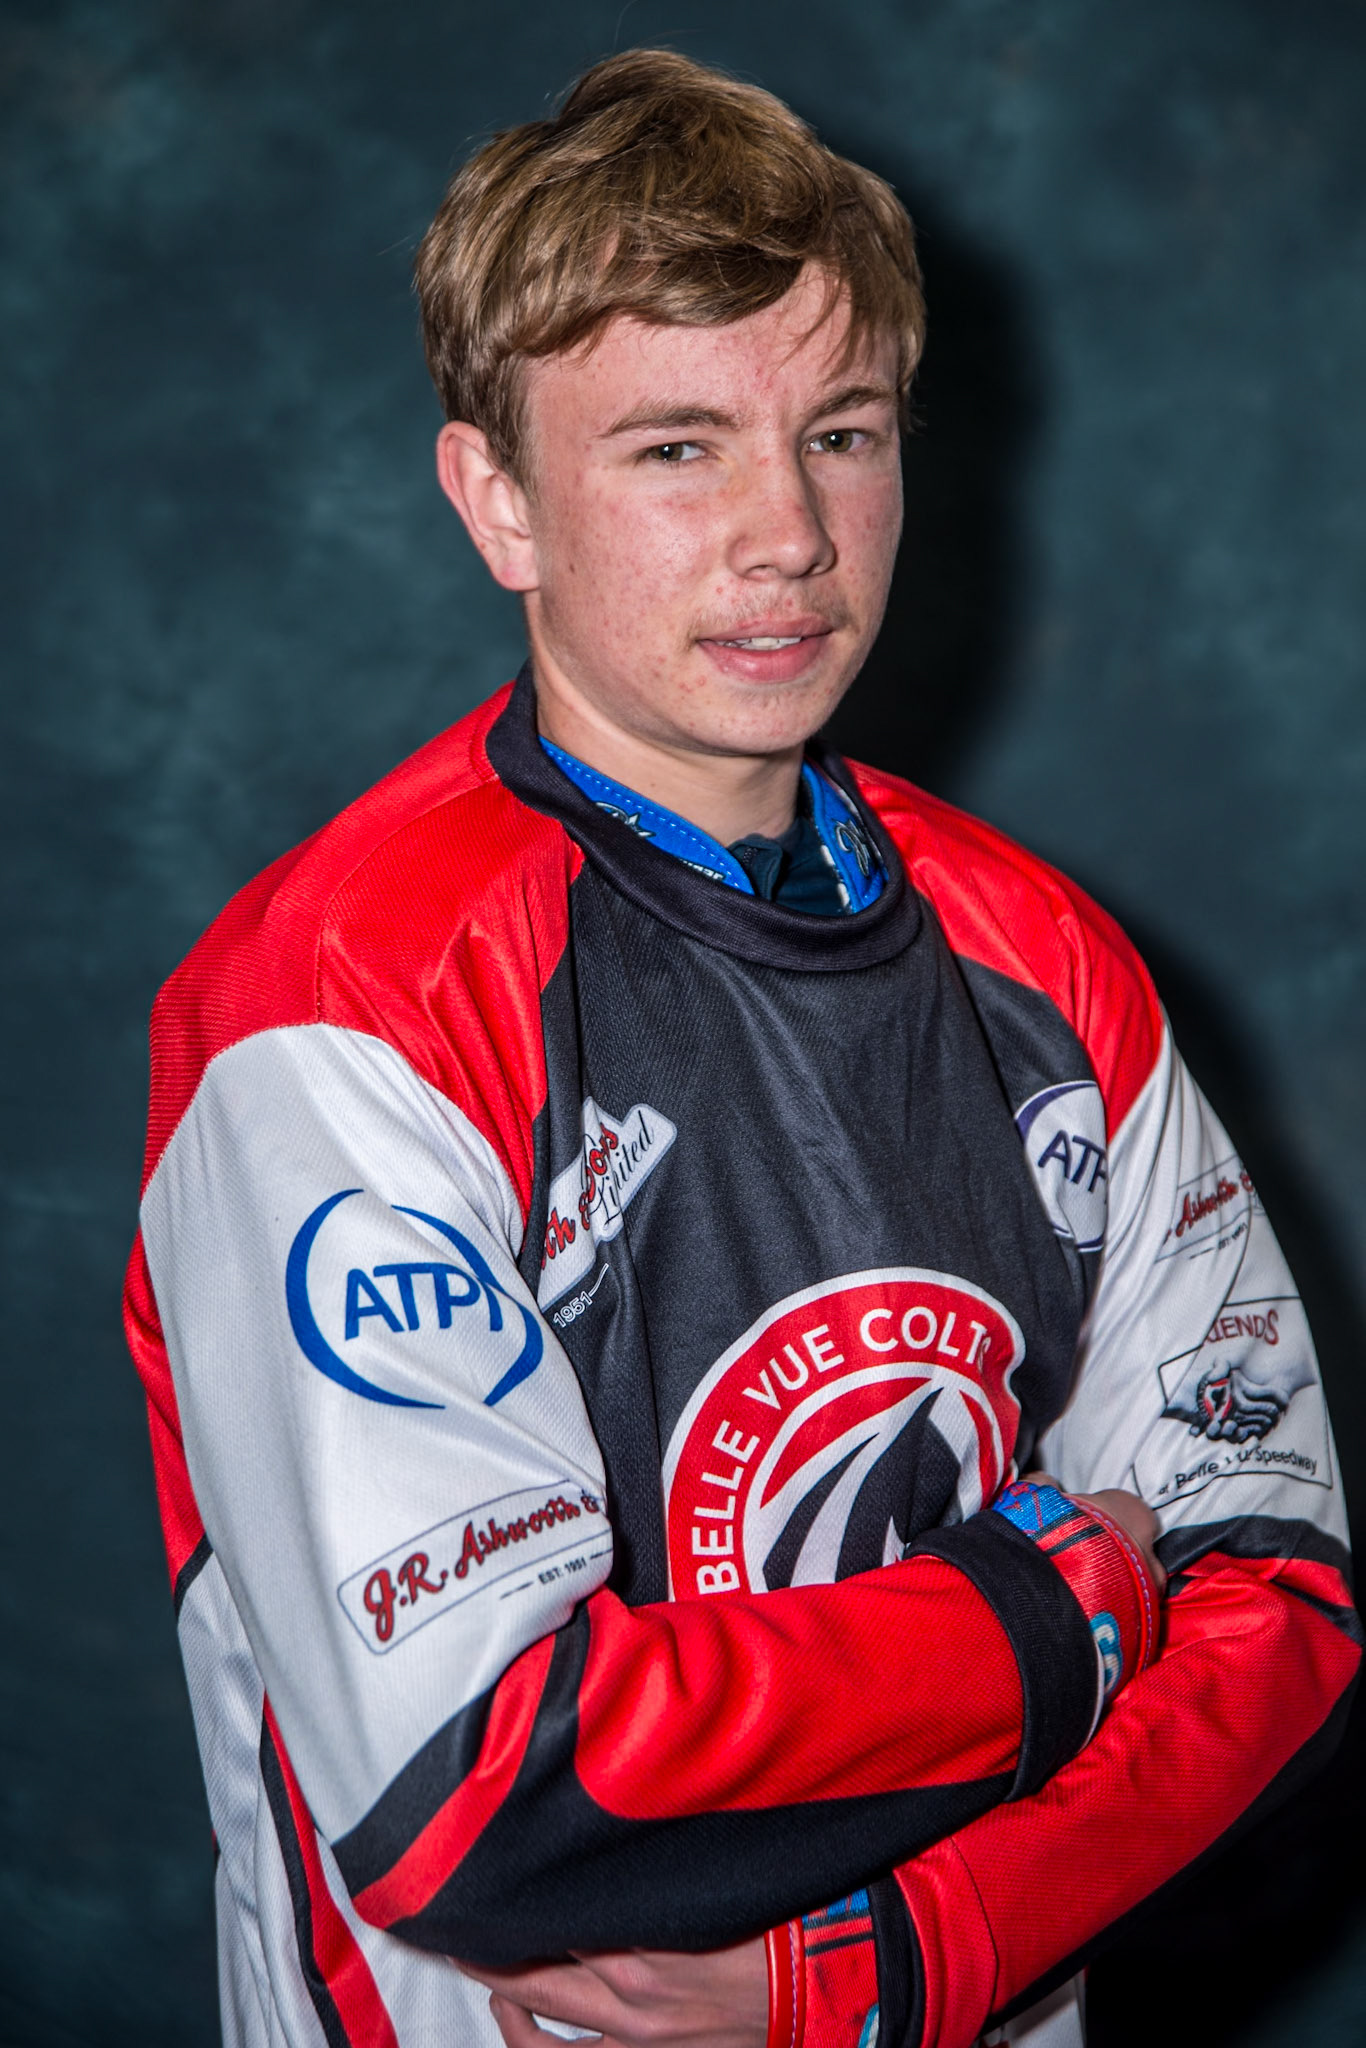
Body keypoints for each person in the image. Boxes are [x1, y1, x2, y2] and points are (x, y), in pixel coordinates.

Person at [123, 48, 1358, 2048]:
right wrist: (1049, 1605)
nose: (788, 531)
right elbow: (484, 1800)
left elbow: (1275, 1594)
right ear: (498, 501)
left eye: (841, 432)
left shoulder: (1042, 959)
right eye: (675, 447)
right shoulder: (343, 995)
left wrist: (897, 1960)